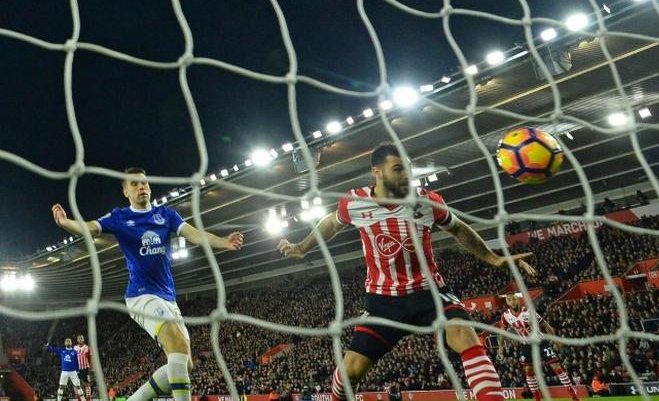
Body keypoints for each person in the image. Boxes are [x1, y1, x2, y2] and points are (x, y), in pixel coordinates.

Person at [278, 144, 537, 401]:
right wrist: (302, 247)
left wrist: (494, 258)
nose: (406, 175)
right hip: (383, 303)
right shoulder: (355, 202)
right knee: (351, 372)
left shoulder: (426, 201)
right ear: (377, 172)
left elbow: (458, 228)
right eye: (398, 169)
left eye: (408, 169)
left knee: (465, 336)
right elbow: (331, 223)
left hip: (430, 294)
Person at [51, 167, 243, 401]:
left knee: (185, 363)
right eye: (134, 184)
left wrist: (223, 242)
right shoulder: (120, 217)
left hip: (167, 297)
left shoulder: (167, 215)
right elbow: (91, 227)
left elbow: (194, 234)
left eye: (144, 183)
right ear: (126, 192)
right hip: (141, 295)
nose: (141, 187)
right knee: (177, 343)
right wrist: (66, 223)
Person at [496, 293, 578, 401]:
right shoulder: (506, 315)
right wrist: (500, 346)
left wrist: (556, 340)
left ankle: (574, 397)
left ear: (518, 300)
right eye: (509, 300)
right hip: (526, 345)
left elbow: (545, 324)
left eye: (514, 299)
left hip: (540, 342)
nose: (512, 301)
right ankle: (537, 399)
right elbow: (503, 330)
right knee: (528, 371)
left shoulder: (529, 312)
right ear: (507, 302)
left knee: (556, 367)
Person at [74, 335, 92, 401]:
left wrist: (91, 367)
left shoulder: (87, 348)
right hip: (77, 368)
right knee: (76, 384)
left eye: (81, 338)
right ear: (77, 340)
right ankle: (78, 398)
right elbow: (73, 358)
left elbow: (90, 358)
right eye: (79, 338)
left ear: (83, 339)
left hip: (85, 368)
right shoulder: (75, 348)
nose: (80, 339)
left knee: (87, 383)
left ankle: (88, 398)